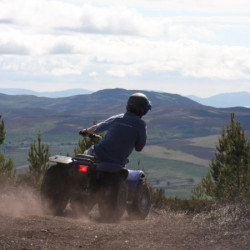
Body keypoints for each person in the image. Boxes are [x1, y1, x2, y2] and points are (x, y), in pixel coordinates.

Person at [79, 93, 152, 166]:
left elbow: (97, 127)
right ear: (143, 109)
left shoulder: (118, 118)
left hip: (97, 155)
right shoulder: (141, 125)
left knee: (80, 163)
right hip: (118, 163)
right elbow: (139, 148)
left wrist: (86, 131)